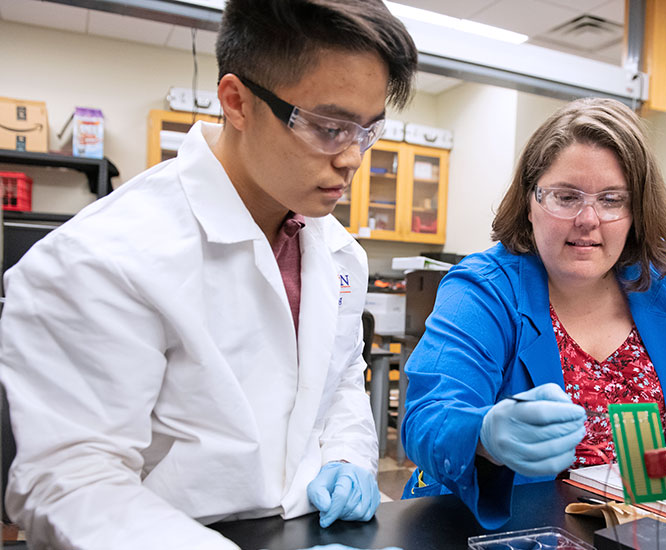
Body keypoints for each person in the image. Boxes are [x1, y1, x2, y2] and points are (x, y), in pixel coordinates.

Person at [0, 1, 417, 548]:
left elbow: (339, 379)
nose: (351, 158)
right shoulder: (101, 258)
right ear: (237, 101)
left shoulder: (337, 252)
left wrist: (347, 454)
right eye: (328, 127)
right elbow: (71, 483)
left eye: (367, 130)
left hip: (307, 529)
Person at [400, 98, 666, 529]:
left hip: (649, 519)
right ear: (530, 202)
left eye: (611, 199)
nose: (588, 220)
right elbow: (427, 418)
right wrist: (484, 436)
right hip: (514, 526)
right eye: (566, 197)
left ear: (636, 210)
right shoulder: (484, 290)